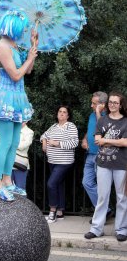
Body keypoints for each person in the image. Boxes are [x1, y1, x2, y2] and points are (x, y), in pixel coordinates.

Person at [0, 10, 38, 201]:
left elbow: (27, 71)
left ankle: (7, 181)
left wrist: (33, 46)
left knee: (14, 143)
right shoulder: (2, 46)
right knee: (5, 142)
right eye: (22, 29)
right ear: (14, 27)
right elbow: (15, 75)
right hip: (6, 97)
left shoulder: (14, 45)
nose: (24, 32)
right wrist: (29, 59)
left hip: (18, 97)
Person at [85, 91, 127, 242]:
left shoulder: (125, 121)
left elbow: (125, 142)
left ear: (121, 105)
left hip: (122, 164)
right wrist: (117, 140)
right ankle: (96, 229)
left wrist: (107, 140)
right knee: (102, 196)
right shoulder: (102, 120)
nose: (112, 105)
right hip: (103, 163)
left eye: (116, 102)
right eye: (110, 102)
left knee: (122, 197)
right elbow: (97, 140)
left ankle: (121, 229)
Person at [41, 105, 79, 223]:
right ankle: (60, 212)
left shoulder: (70, 126)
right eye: (60, 111)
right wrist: (44, 142)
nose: (62, 113)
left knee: (51, 184)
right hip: (52, 161)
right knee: (59, 185)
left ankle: (52, 211)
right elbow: (43, 135)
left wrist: (57, 143)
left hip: (64, 162)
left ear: (68, 115)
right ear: (57, 114)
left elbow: (74, 142)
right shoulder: (53, 126)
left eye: (64, 112)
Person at [82, 91, 113, 223]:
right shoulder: (91, 115)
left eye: (94, 104)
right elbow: (90, 130)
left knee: (102, 186)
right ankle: (105, 210)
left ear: (102, 105)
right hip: (90, 155)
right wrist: (84, 139)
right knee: (86, 183)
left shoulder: (109, 116)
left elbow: (103, 129)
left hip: (102, 155)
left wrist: (99, 112)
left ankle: (101, 214)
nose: (91, 106)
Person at [11, 122, 34, 190]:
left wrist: (10, 144)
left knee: (20, 189)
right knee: (7, 190)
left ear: (26, 120)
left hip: (20, 164)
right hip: (8, 164)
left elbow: (22, 146)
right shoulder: (11, 129)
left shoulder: (29, 132)